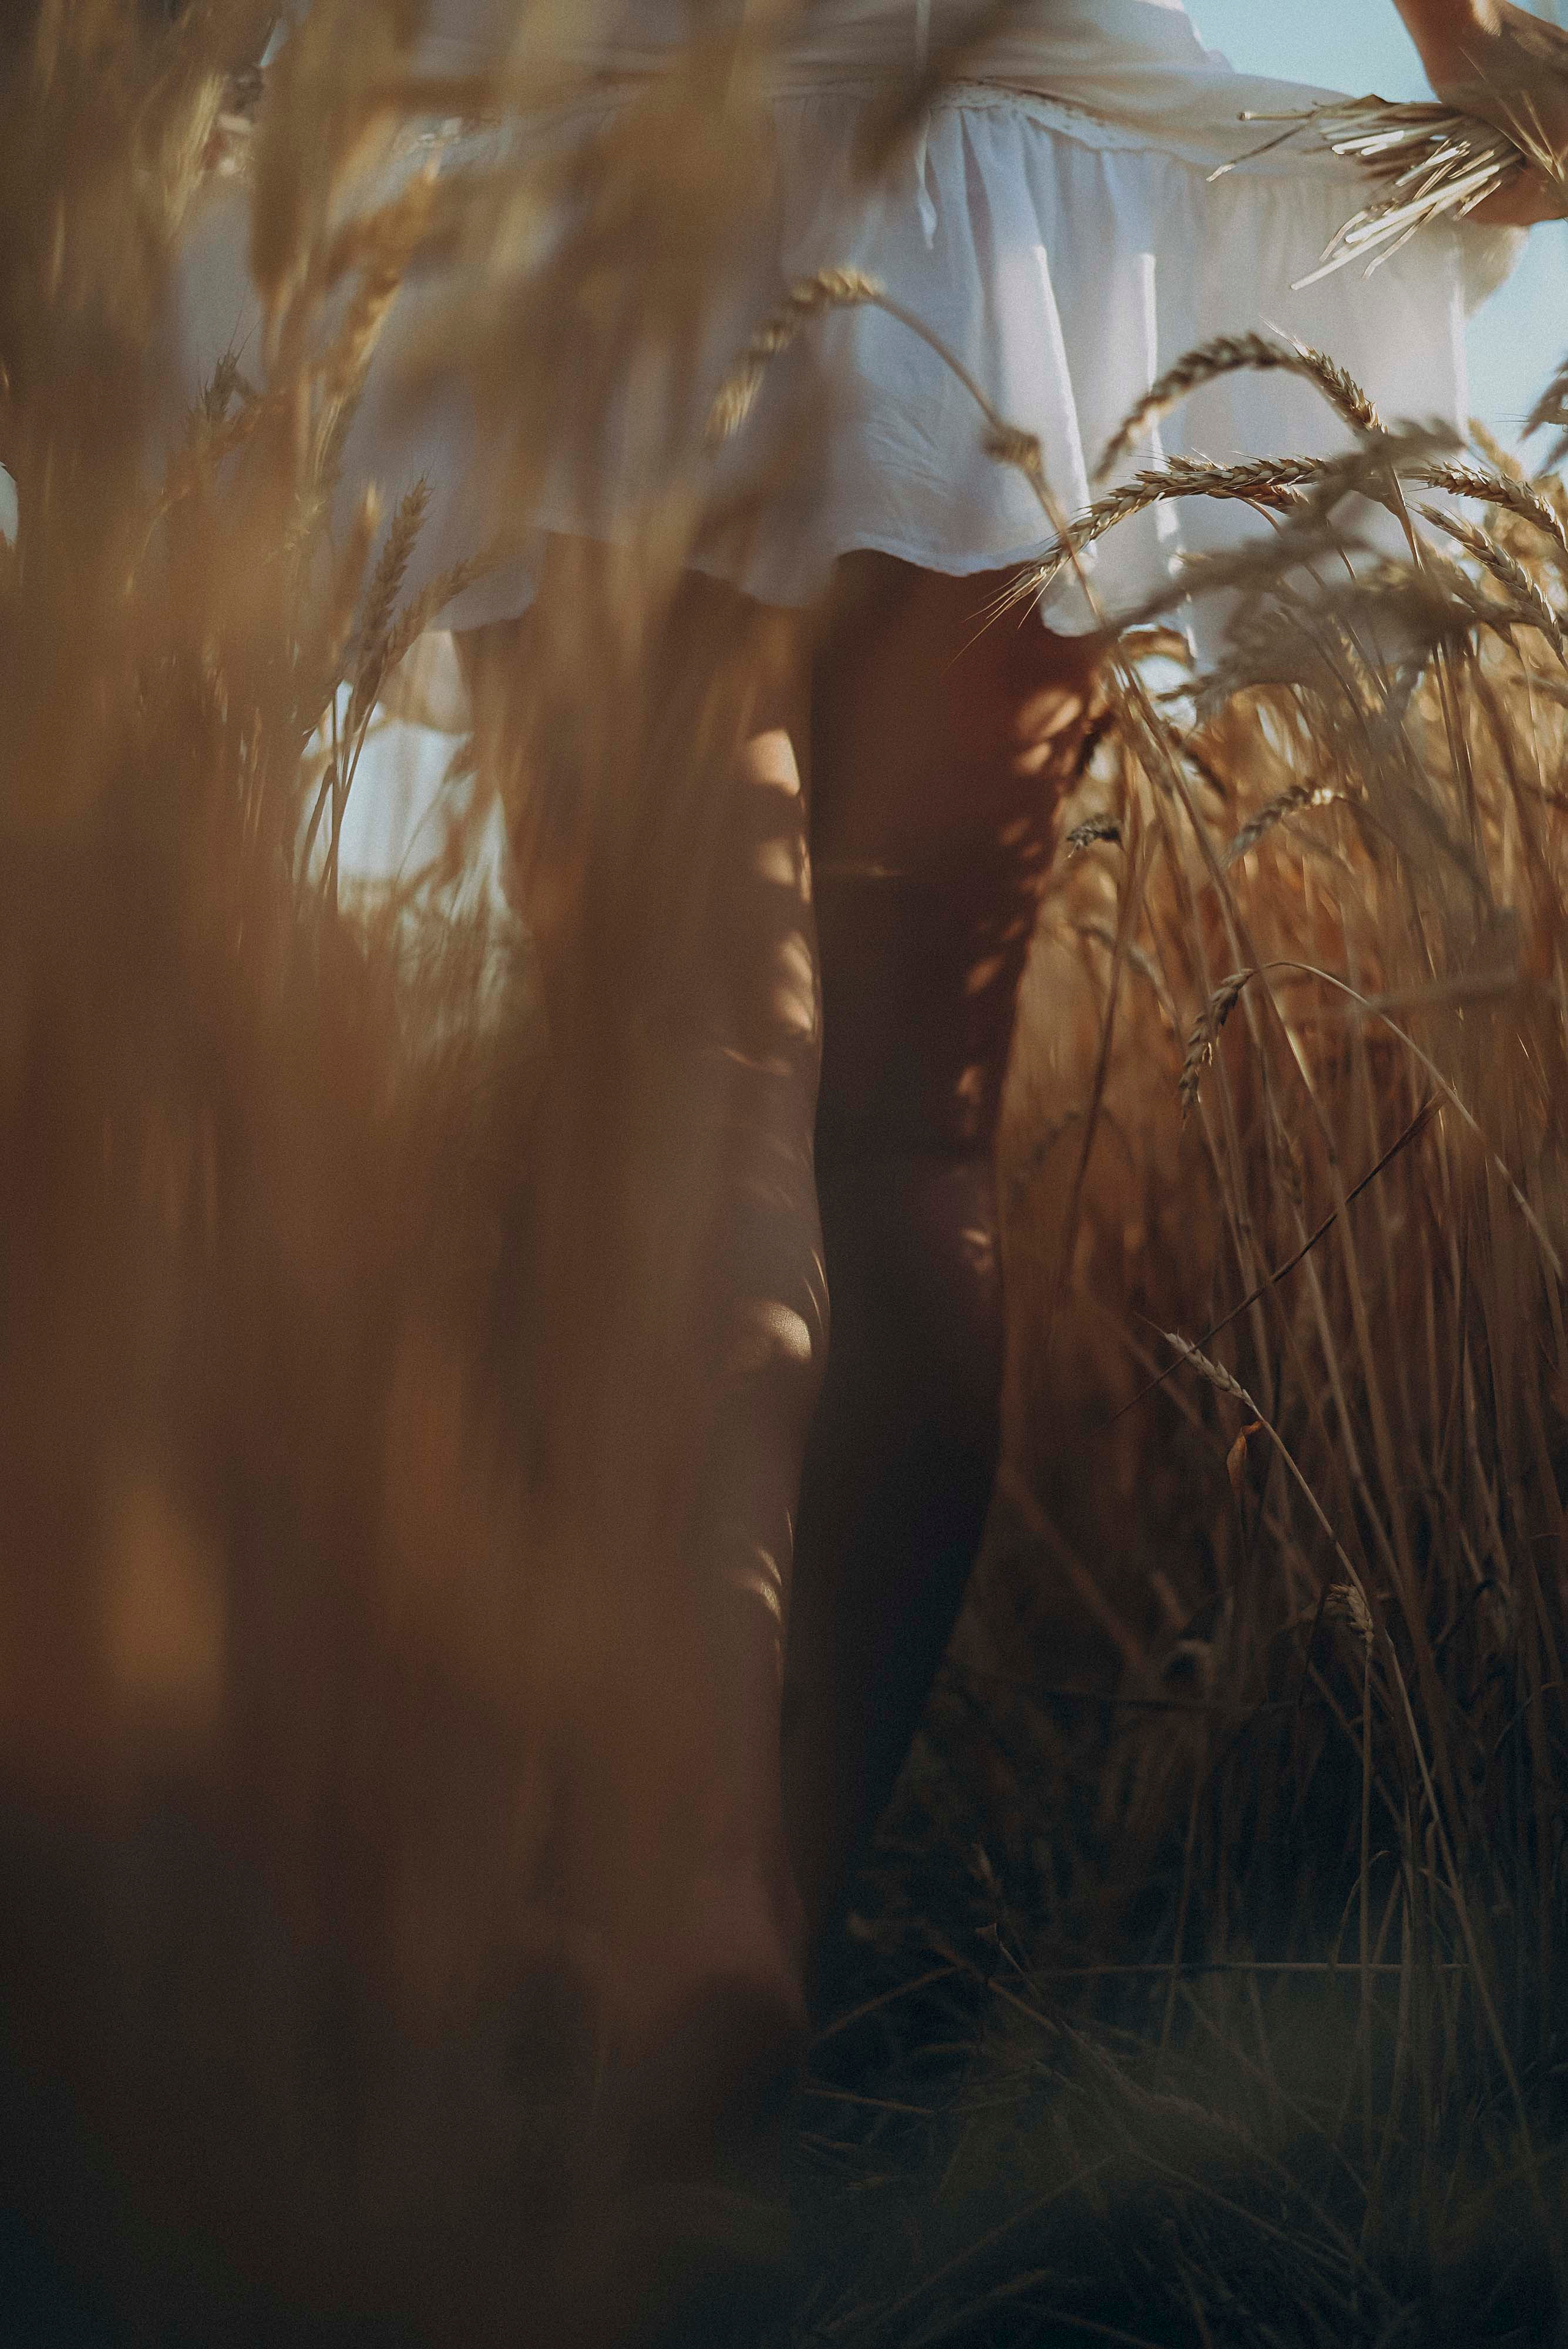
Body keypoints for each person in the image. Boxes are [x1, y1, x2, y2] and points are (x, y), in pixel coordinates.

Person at [178, 0, 1566, 2169]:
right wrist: (1472, 43)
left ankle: (676, 1868)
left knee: (684, 1062)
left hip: (605, 130)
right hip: (1011, 143)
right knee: (913, 1141)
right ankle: (777, 1913)